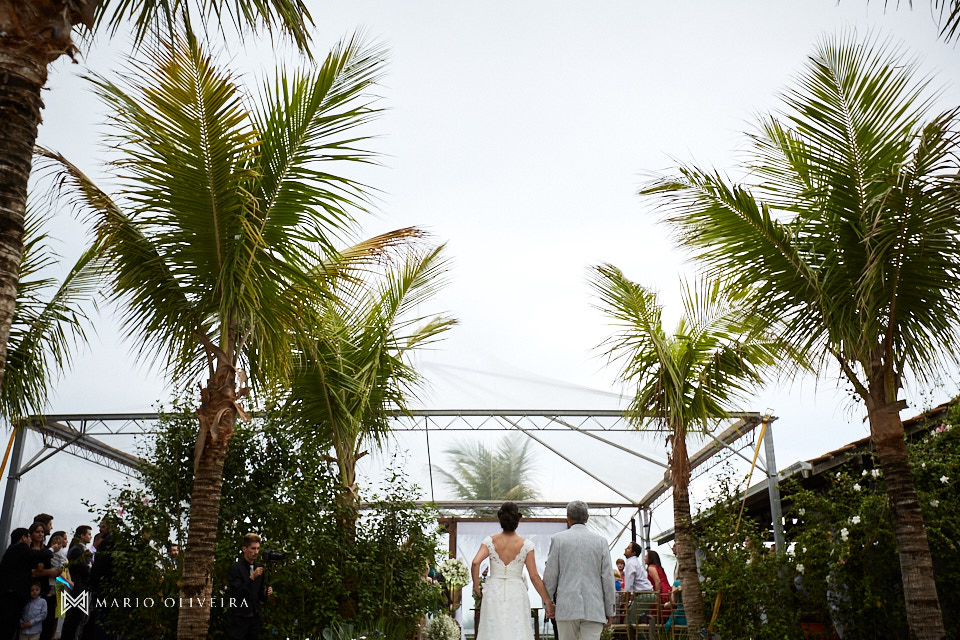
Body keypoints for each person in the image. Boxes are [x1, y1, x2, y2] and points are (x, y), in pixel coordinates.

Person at [470, 502, 554, 640]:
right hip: (516, 591)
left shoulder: (490, 541)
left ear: (500, 519)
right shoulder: (526, 545)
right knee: (517, 629)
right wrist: (548, 602)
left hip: (493, 591)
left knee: (492, 629)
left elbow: (475, 563)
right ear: (517, 520)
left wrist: (476, 586)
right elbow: (534, 577)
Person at [543, 501, 615, 640]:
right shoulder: (601, 541)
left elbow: (551, 574)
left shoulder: (558, 539)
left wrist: (548, 603)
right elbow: (607, 577)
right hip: (594, 607)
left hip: (566, 606)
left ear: (568, 517)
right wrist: (610, 609)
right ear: (587, 518)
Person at [227, 533, 273, 640]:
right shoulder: (236, 568)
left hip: (255, 620)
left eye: (257, 548)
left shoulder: (259, 568)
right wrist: (252, 577)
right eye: (253, 548)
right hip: (240, 620)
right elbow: (238, 593)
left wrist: (266, 592)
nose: (256, 552)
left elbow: (259, 596)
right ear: (244, 549)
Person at [60, 526, 93, 640]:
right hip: (77, 589)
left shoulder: (82, 550)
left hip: (80, 587)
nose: (90, 536)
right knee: (73, 619)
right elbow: (84, 569)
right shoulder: (77, 550)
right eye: (88, 534)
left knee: (77, 619)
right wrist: (89, 567)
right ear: (81, 535)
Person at [644, 550, 671, 617]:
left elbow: (657, 581)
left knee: (657, 615)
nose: (644, 558)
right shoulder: (659, 567)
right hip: (667, 591)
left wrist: (657, 595)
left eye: (646, 556)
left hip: (661, 593)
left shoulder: (651, 567)